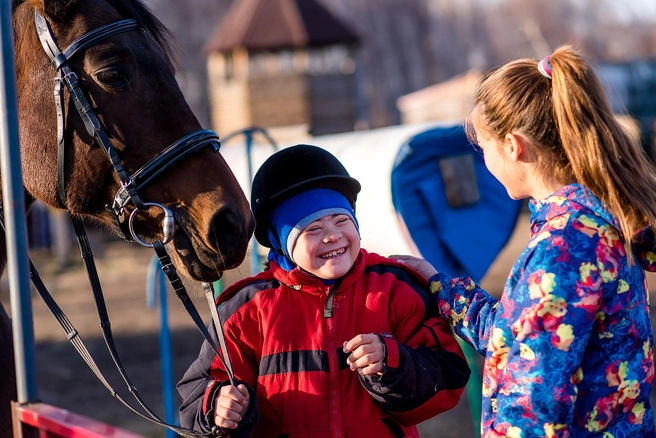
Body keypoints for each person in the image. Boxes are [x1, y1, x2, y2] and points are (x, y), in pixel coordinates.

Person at [393, 45, 656, 437]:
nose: (485, 161)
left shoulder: (565, 251)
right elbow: (522, 336)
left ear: (513, 147)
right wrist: (441, 286)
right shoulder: (587, 225)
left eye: (484, 149)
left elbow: (532, 410)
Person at [177, 144, 470, 437]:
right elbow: (198, 392)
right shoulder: (246, 310)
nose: (333, 235)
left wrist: (392, 362)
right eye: (312, 229)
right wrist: (217, 406)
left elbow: (449, 376)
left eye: (341, 220)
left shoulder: (394, 288)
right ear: (282, 244)